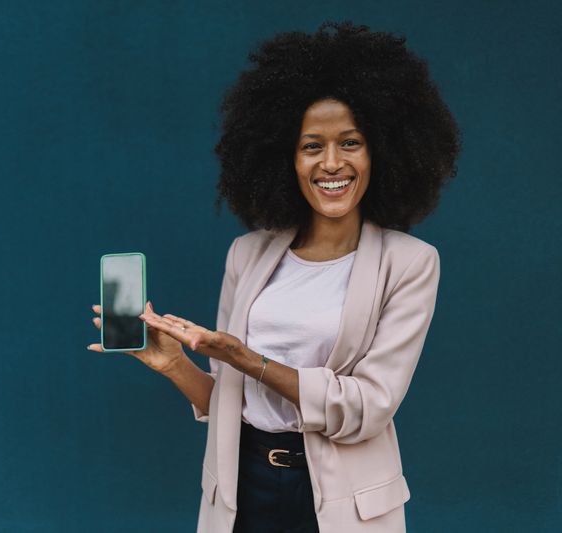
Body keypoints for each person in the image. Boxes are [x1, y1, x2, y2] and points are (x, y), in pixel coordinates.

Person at [87, 20, 460, 533]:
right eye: (312, 146)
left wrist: (242, 356)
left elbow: (369, 406)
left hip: (342, 504)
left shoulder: (411, 263)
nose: (332, 163)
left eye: (350, 142)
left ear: (381, 151)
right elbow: (230, 401)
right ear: (286, 158)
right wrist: (176, 365)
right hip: (244, 491)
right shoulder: (249, 253)